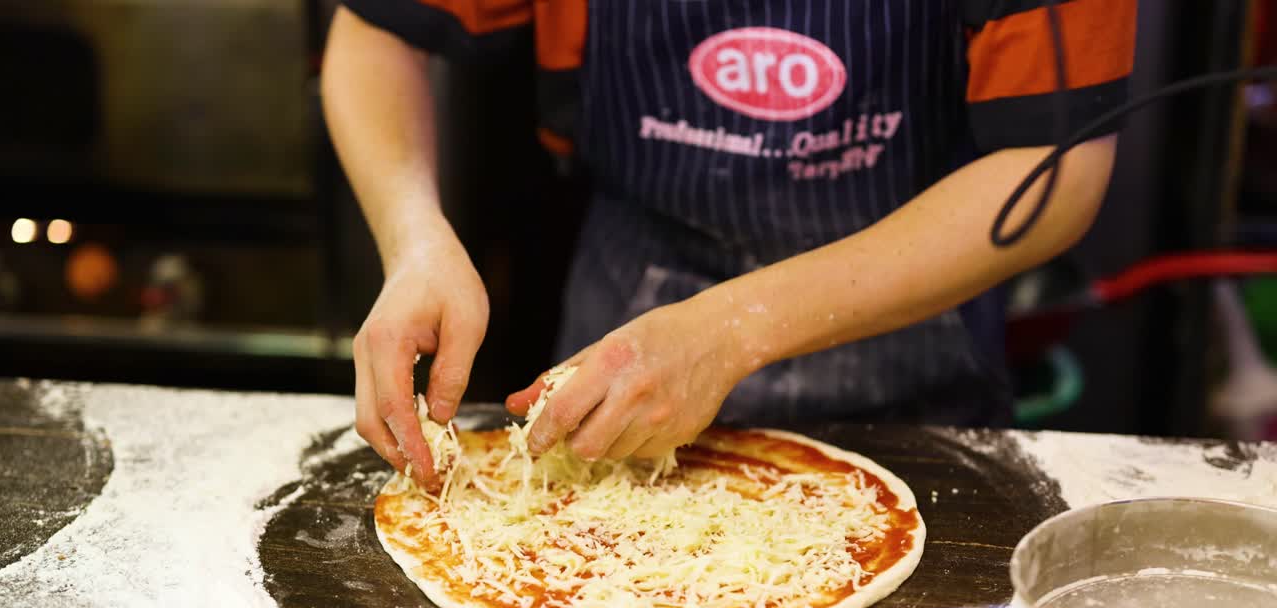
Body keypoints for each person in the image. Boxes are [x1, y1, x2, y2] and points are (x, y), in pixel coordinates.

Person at [323, 0, 1137, 484]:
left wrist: (731, 330)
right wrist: (416, 238)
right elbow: (375, 35)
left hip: (909, 352)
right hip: (620, 332)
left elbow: (1055, 171)